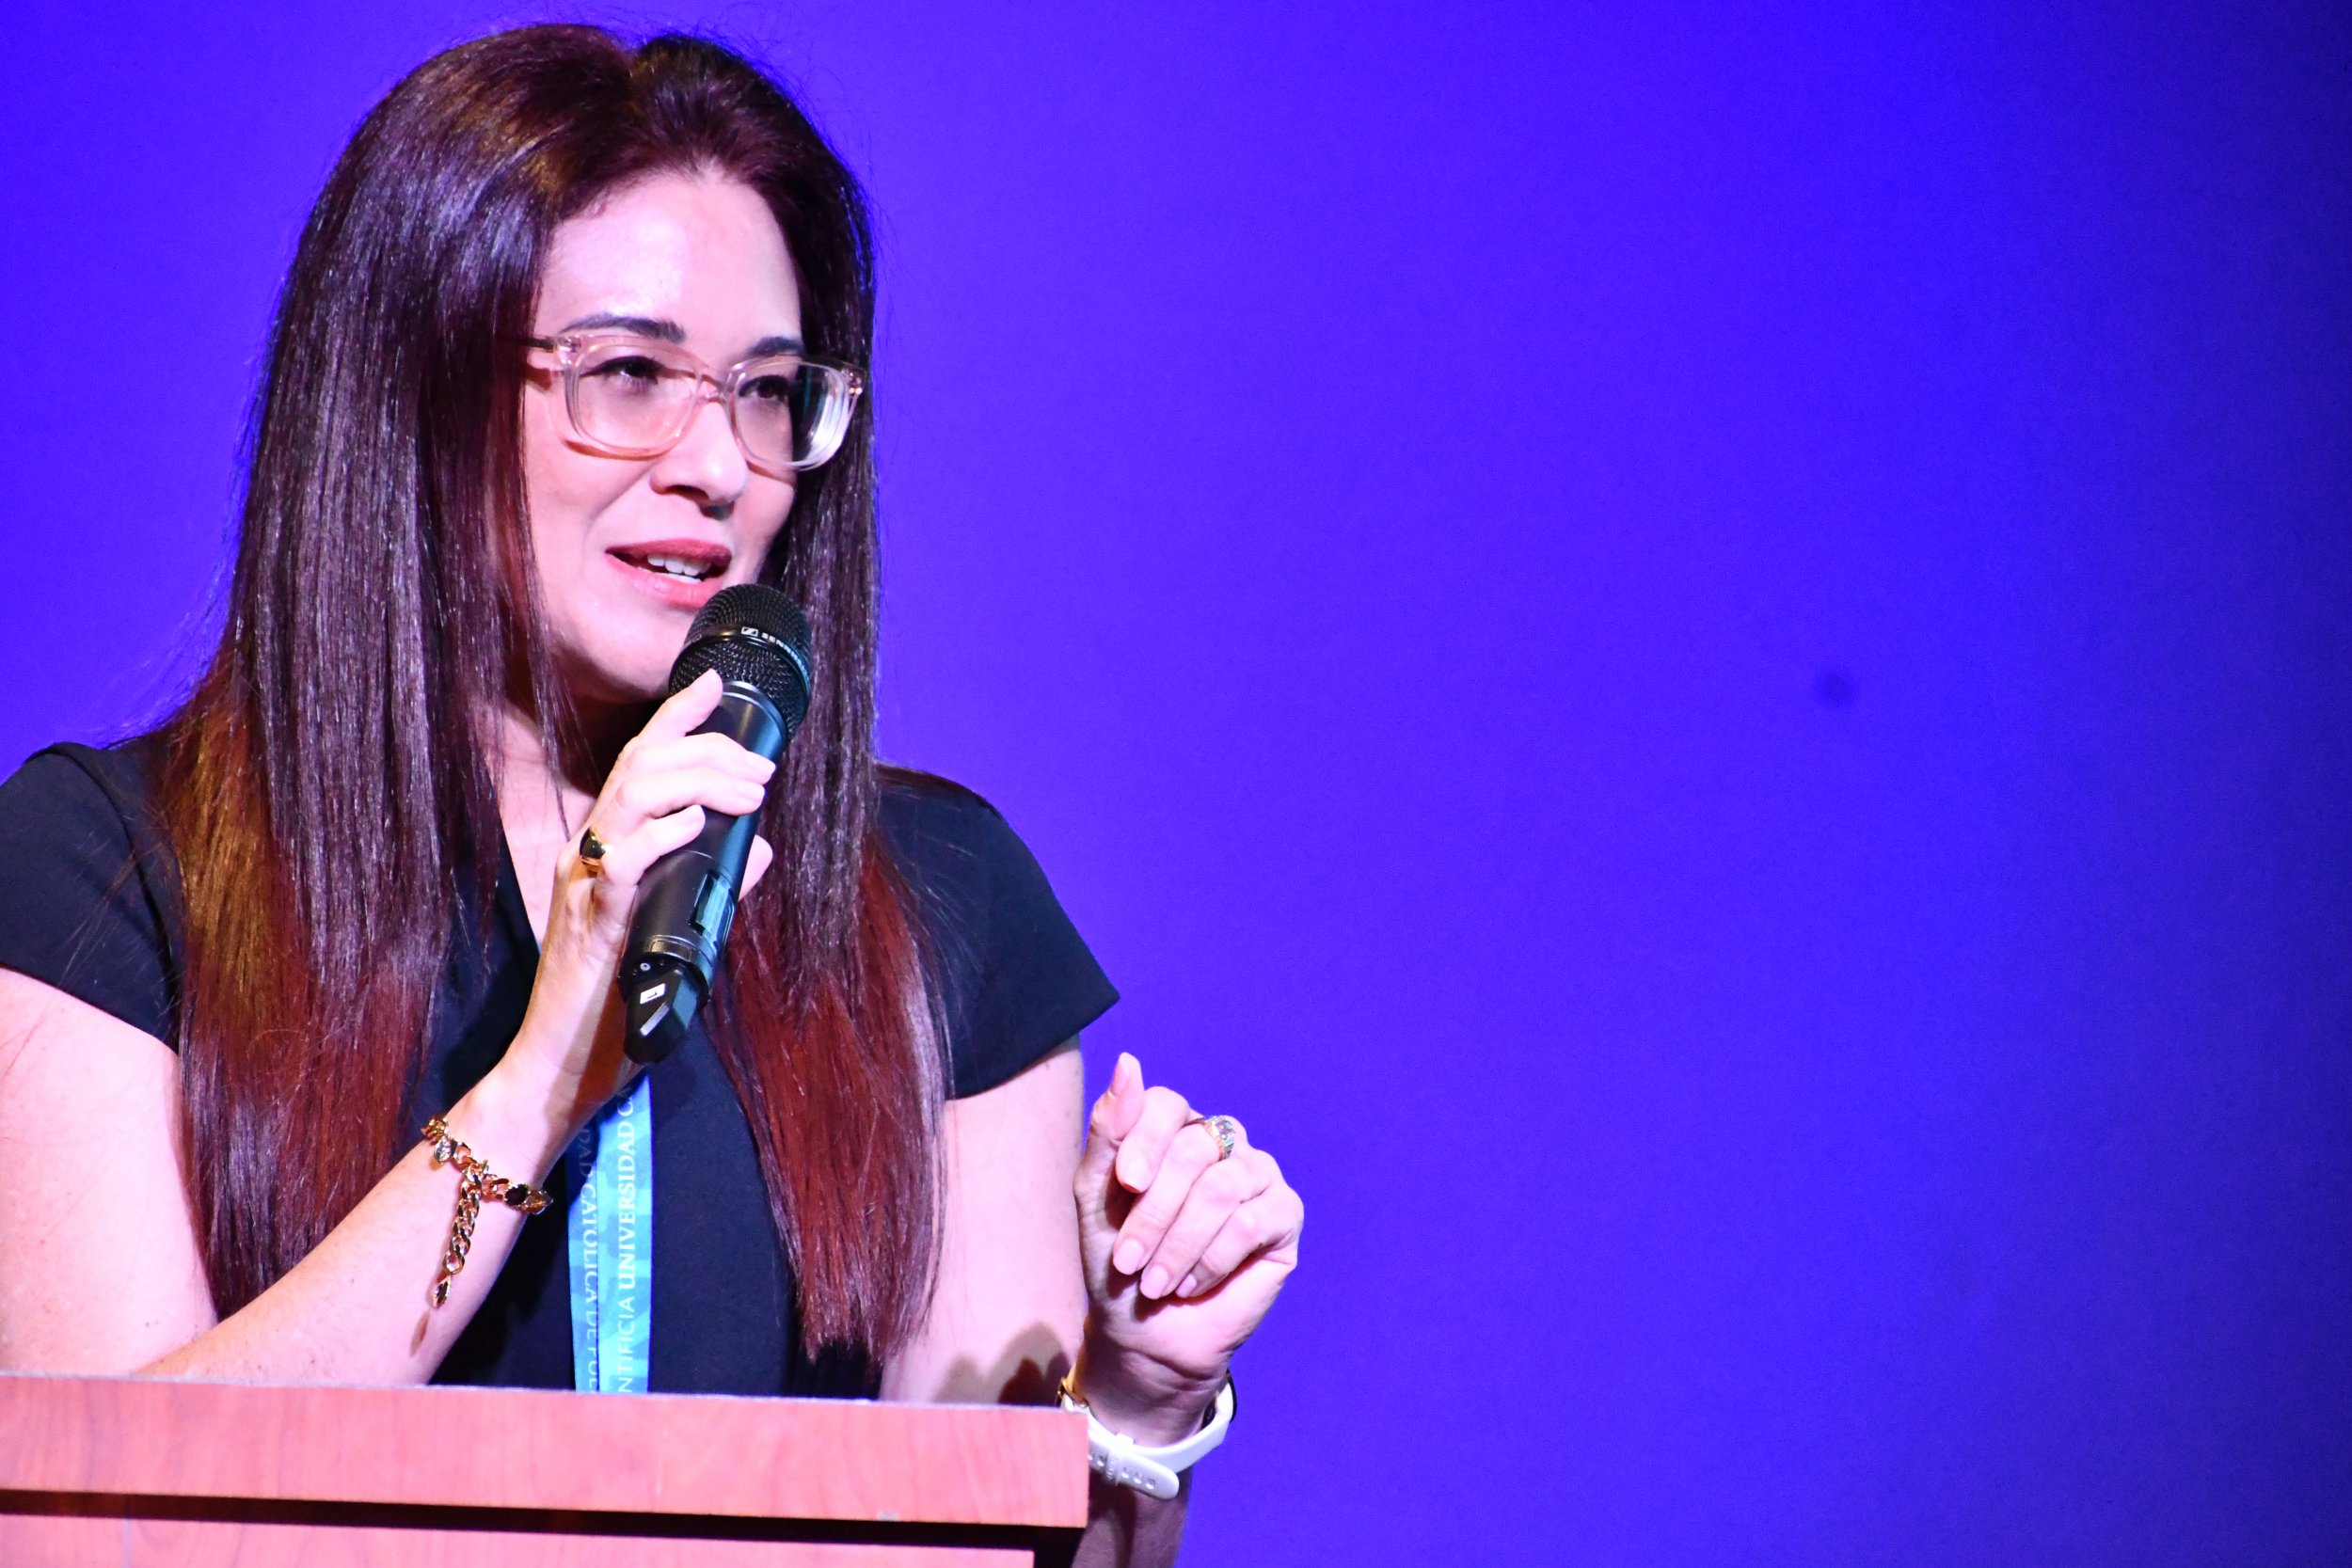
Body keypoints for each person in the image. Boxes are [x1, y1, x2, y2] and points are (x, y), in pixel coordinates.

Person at [0, 24, 1301, 1565]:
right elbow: (97, 1527)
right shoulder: (109, 873)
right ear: (415, 391)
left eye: (768, 392)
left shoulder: (941, 904)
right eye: (628, 374)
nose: (721, 467)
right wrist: (542, 1081)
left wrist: (1140, 1398)